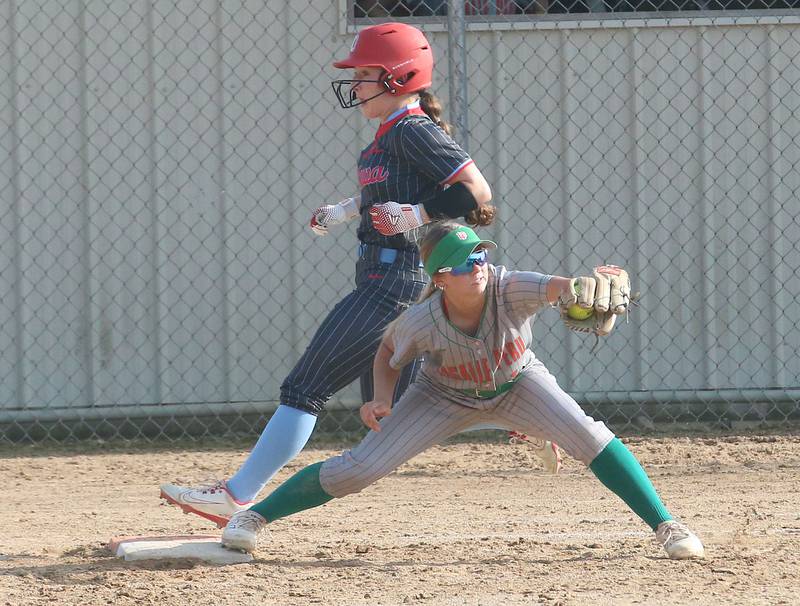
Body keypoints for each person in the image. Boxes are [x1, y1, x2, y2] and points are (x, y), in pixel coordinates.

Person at [160, 23, 559, 527]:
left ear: (399, 78)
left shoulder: (413, 128)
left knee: (306, 387)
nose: (356, 86)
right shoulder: (387, 136)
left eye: (366, 76)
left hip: (393, 283)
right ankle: (516, 413)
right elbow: (388, 191)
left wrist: (415, 216)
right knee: (413, 408)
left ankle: (236, 495)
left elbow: (474, 192)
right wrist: (346, 210)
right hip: (387, 277)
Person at [219, 222, 705, 561]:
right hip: (442, 397)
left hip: (519, 382)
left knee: (589, 437)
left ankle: (667, 525)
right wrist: (380, 398)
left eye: (478, 253)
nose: (475, 264)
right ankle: (252, 519)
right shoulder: (423, 319)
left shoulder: (507, 287)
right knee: (360, 469)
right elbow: (388, 351)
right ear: (438, 279)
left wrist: (586, 286)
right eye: (460, 261)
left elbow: (559, 287)